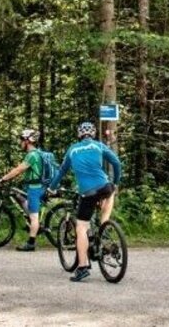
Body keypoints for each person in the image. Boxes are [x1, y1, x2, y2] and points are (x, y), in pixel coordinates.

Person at [58, 121, 122, 282]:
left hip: (87, 192)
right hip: (105, 187)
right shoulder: (99, 145)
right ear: (93, 134)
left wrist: (51, 188)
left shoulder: (72, 149)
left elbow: (62, 171)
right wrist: (115, 183)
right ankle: (104, 226)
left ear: (79, 135)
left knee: (81, 227)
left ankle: (83, 267)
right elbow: (116, 163)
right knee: (110, 193)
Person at [0, 128, 46, 251]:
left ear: (27, 141)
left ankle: (31, 243)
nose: (20, 143)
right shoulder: (37, 153)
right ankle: (34, 224)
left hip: (35, 188)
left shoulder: (32, 155)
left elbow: (19, 170)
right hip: (35, 186)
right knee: (19, 196)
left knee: (34, 217)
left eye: (21, 140)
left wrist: (3, 179)